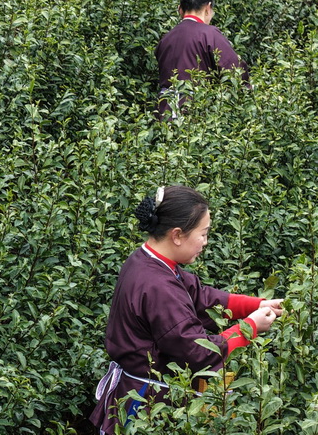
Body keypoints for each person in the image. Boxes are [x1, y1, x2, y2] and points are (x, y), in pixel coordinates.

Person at [89, 185, 284, 433]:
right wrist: (250, 328)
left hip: (137, 392)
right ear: (178, 235)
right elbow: (197, 351)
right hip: (149, 406)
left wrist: (256, 305)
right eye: (203, 234)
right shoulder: (158, 285)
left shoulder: (147, 260)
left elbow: (200, 297)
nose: (205, 242)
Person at [155, 0, 248, 114]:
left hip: (164, 114)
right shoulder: (209, 35)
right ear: (208, 8)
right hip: (195, 114)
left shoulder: (166, 38)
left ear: (180, 9)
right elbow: (236, 74)